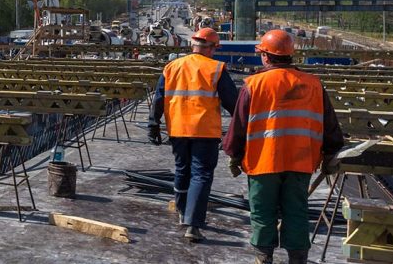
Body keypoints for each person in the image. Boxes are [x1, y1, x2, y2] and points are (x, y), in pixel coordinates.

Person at [224, 30, 344, 264]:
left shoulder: (254, 84)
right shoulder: (313, 84)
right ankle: (297, 259)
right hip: (300, 162)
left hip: (263, 162)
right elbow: (329, 123)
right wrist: (331, 154)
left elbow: (239, 124)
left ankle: (263, 257)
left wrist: (234, 154)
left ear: (266, 56)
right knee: (297, 213)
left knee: (262, 212)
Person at [147, 27, 239, 243]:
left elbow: (158, 98)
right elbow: (233, 102)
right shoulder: (215, 68)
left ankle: (182, 211)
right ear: (212, 48)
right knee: (201, 175)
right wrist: (242, 127)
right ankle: (193, 224)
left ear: (193, 45)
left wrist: (153, 124)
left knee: (182, 169)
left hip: (178, 129)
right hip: (205, 131)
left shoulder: (172, 67)